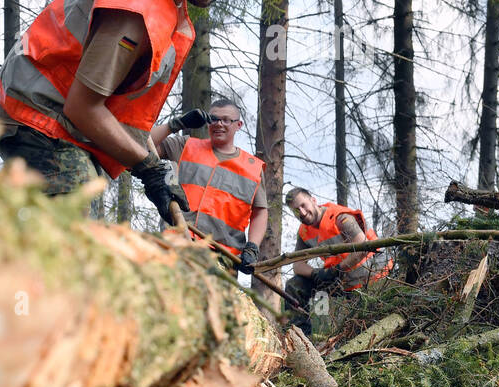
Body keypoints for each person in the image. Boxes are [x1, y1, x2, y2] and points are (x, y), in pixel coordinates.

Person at [0, 0, 249, 222]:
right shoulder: (135, 11)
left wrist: (159, 175)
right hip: (35, 116)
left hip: (63, 118)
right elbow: (82, 108)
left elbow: (126, 114)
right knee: (79, 221)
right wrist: (147, 167)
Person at [150, 98, 267, 274]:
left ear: (239, 125)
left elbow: (260, 211)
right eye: (213, 119)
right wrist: (176, 124)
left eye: (226, 120)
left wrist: (252, 247)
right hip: (177, 245)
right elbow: (142, 141)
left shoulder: (253, 168)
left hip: (222, 259)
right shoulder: (185, 145)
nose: (218, 124)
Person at [283, 187, 394, 333]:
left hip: (372, 273)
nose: (302, 213)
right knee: (295, 285)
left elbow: (363, 247)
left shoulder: (340, 217)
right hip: (341, 278)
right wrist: (317, 273)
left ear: (313, 200)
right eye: (296, 210)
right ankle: (300, 338)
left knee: (365, 326)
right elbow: (297, 265)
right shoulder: (304, 232)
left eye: (303, 205)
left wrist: (337, 269)